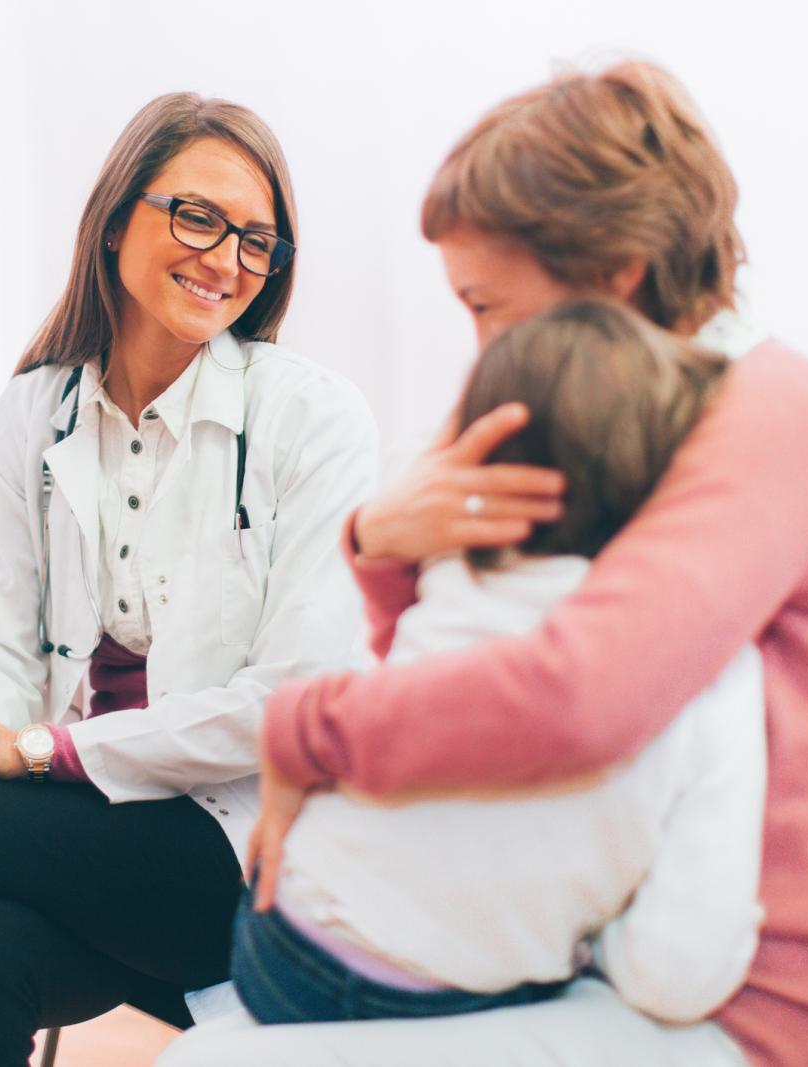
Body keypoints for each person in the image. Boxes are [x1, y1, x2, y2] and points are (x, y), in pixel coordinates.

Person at [161, 59, 808, 1067]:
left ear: (613, 274)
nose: (478, 346)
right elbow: (447, 656)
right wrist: (384, 551)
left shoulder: (772, 410)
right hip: (616, 962)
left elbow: (576, 693)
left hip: (772, 1010)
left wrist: (300, 731)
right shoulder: (603, 409)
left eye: (488, 304)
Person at [0, 92, 379, 1067]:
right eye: (197, 215)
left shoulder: (313, 418)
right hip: (102, 847)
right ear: (117, 217)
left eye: (256, 240)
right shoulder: (34, 413)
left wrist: (34, 748)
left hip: (251, 854)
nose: (226, 257)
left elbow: (289, 705)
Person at [230, 298, 766, 1029]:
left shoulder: (448, 573)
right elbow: (675, 976)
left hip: (285, 943)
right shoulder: (712, 663)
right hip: (450, 993)